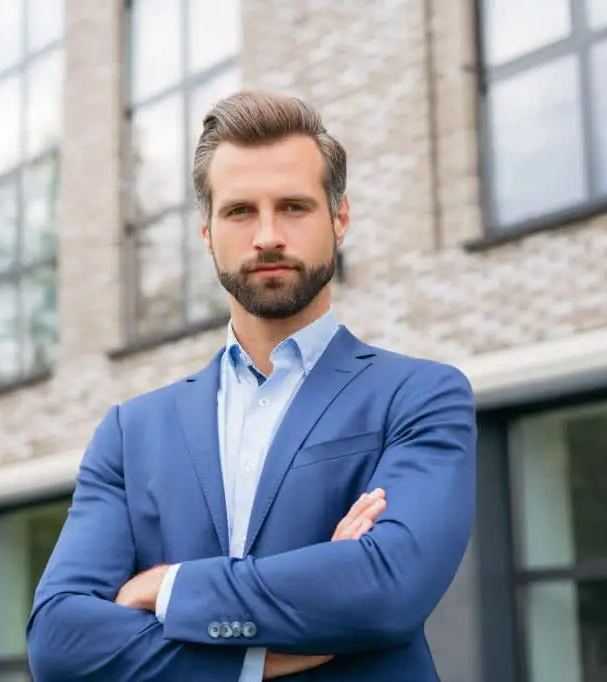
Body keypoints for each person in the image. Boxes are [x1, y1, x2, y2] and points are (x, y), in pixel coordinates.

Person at [26, 91, 477, 681]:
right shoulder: (130, 434)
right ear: (207, 232)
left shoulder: (420, 396)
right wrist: (262, 655)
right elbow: (60, 642)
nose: (267, 236)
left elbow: (387, 588)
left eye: (293, 207)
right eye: (240, 211)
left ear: (339, 219)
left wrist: (171, 587)